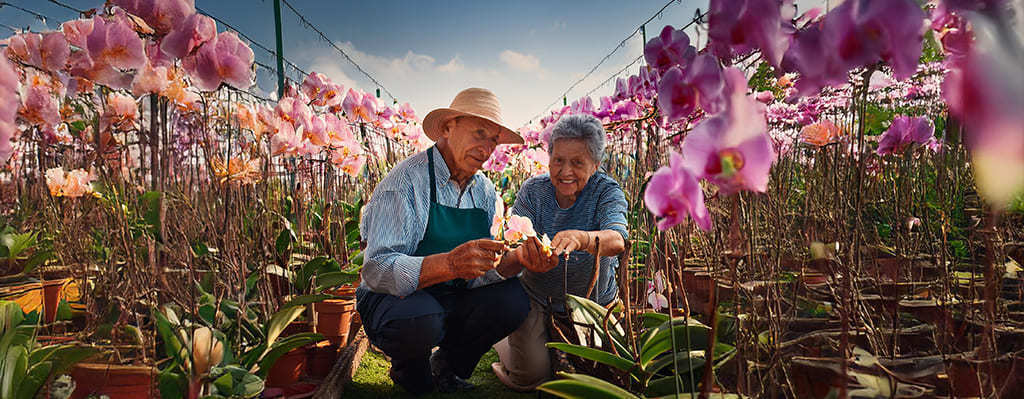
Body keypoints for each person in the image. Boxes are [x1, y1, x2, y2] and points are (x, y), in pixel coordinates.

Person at [356, 88, 531, 394]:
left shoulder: (485, 192)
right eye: (480, 133)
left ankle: (449, 366)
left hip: (450, 294)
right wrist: (449, 264)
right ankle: (409, 371)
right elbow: (376, 270)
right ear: (448, 128)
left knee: (512, 301)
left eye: (493, 139)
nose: (488, 147)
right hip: (395, 299)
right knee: (420, 319)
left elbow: (476, 274)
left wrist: (513, 262)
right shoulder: (406, 182)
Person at [490, 113, 629, 391]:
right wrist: (521, 257)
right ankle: (504, 346)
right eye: (558, 160)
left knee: (600, 377)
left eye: (577, 163)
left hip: (592, 305)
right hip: (538, 299)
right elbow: (504, 264)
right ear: (549, 157)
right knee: (529, 378)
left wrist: (582, 238)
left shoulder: (606, 191)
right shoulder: (533, 192)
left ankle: (542, 348)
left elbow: (617, 240)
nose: (565, 171)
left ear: (596, 164)